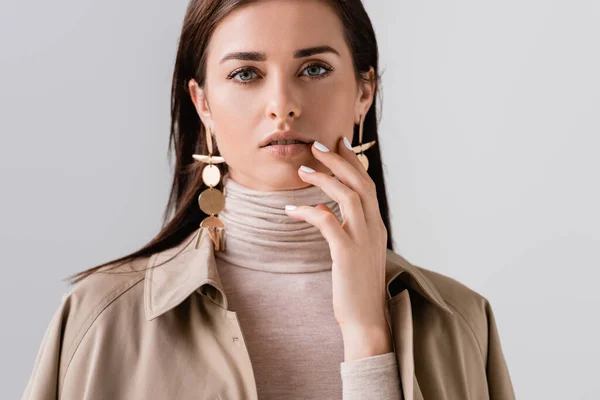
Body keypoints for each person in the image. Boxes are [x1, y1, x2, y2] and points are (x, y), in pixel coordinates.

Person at [21, 0, 516, 399]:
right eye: (245, 74)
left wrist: (368, 335)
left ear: (365, 91)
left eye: (315, 68)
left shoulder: (463, 322)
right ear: (203, 103)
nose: (283, 104)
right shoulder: (98, 319)